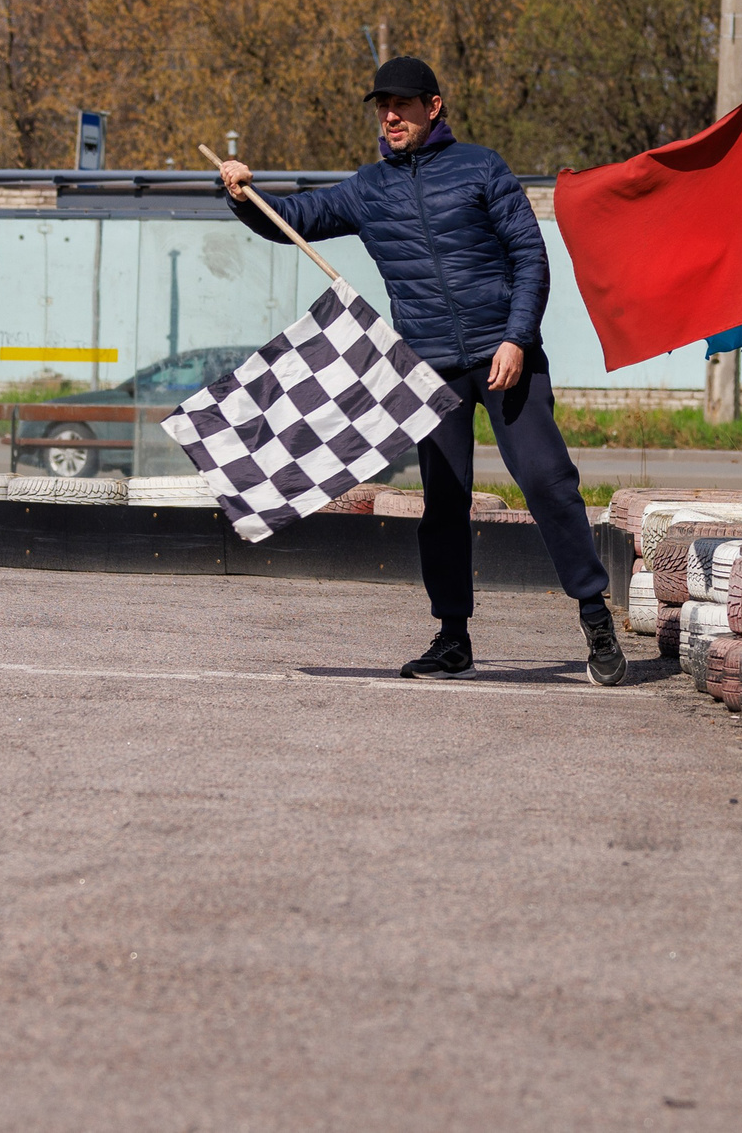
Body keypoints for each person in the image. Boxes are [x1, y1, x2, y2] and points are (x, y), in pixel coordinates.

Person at [216, 56, 625, 687]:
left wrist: (517, 339)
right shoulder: (368, 189)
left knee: (548, 483)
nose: (389, 116)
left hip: (504, 357)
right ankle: (453, 637)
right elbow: (292, 221)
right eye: (382, 106)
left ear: (432, 107)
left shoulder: (482, 168)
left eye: (401, 104)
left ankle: (595, 616)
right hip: (429, 371)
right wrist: (245, 195)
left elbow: (530, 258)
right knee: (443, 504)